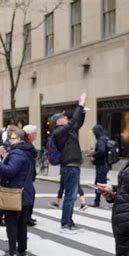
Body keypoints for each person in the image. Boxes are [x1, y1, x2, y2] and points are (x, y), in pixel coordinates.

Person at [0, 128, 35, 256]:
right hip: (24, 193)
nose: (9, 141)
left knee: (12, 223)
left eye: (12, 138)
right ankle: (22, 250)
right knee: (21, 223)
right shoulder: (26, 151)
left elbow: (10, 171)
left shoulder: (17, 153)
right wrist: (4, 157)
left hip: (15, 193)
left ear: (19, 139)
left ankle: (13, 251)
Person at [51, 92, 87, 234]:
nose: (66, 118)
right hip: (69, 166)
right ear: (58, 121)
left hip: (73, 165)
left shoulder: (68, 130)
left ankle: (68, 222)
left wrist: (82, 111)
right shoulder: (59, 132)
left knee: (71, 196)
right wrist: (80, 104)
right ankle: (65, 224)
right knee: (70, 196)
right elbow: (73, 122)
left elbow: (78, 123)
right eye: (63, 117)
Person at [88, 124, 110, 207]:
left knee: (99, 184)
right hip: (104, 164)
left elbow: (101, 151)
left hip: (102, 165)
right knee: (102, 184)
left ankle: (97, 201)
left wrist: (93, 155)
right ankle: (100, 200)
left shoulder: (101, 140)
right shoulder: (105, 139)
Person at [23, 124, 38, 226]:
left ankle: (28, 217)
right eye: (34, 133)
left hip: (28, 174)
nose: (36, 135)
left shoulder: (28, 145)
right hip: (26, 175)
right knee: (29, 195)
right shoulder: (27, 146)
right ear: (29, 135)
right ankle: (27, 218)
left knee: (30, 195)